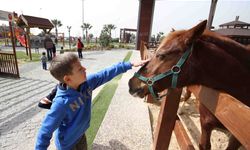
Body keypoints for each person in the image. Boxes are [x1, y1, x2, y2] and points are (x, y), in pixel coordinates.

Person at [35, 52, 149, 150]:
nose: (85, 69)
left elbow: (105, 74)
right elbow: (45, 132)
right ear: (68, 79)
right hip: (67, 144)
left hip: (80, 134)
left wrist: (129, 64)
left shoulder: (87, 83)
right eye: (80, 69)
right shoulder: (61, 104)